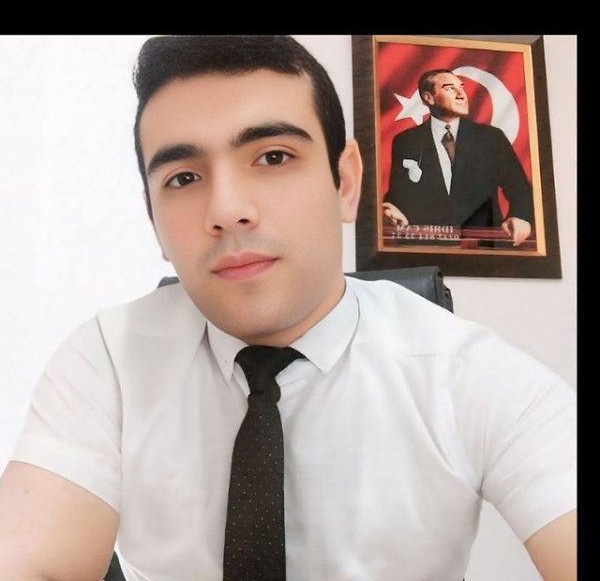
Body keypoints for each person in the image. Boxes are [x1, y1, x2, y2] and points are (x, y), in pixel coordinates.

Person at [0, 36, 575, 581]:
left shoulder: (465, 372)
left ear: (345, 182)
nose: (226, 209)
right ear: (154, 222)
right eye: (183, 177)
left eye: (274, 156)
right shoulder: (108, 359)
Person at [382, 68, 534, 247]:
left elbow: (521, 190)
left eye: (461, 87)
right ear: (429, 98)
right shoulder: (406, 141)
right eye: (450, 88)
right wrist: (389, 208)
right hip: (426, 249)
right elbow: (398, 194)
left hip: (483, 249)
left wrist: (520, 217)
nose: (461, 94)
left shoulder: (492, 138)